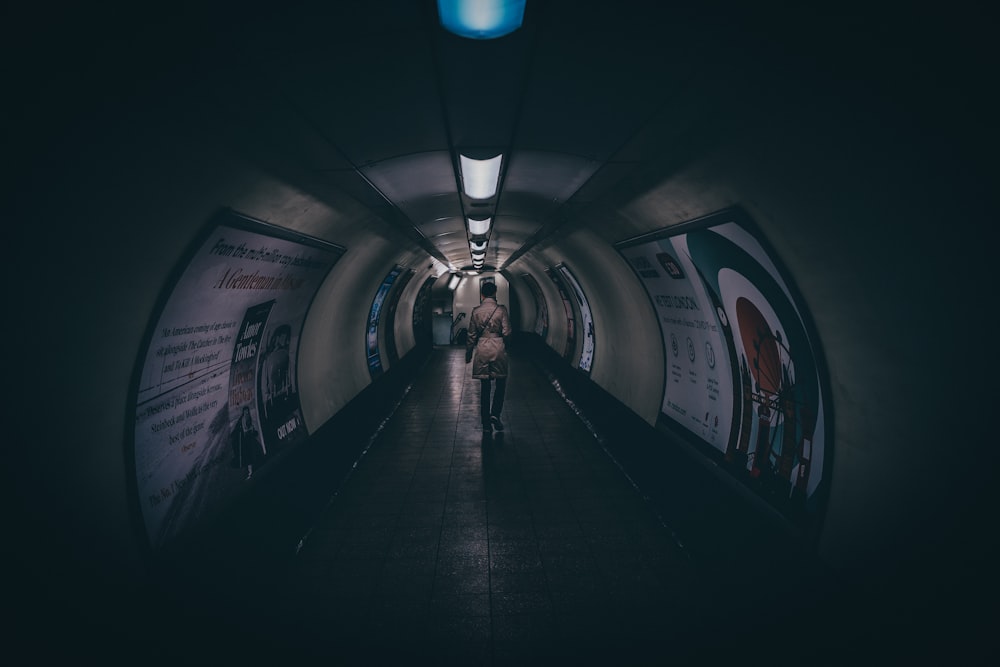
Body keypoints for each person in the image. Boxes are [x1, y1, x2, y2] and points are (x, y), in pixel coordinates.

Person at [466, 281, 511, 431]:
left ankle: (485, 423)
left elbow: (471, 334)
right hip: (498, 347)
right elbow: (507, 332)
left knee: (485, 387)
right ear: (494, 293)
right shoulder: (501, 310)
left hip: (482, 348)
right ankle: (495, 414)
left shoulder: (476, 311)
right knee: (501, 384)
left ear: (482, 294)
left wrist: (468, 352)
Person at [230, 405, 261, 480]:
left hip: (249, 438)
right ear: (243, 412)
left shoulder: (248, 417)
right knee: (249, 456)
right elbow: (244, 430)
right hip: (246, 439)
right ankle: (250, 472)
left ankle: (251, 471)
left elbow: (251, 426)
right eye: (245, 411)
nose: (246, 412)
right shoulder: (243, 419)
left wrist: (252, 428)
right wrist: (250, 429)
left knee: (252, 454)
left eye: (247, 411)